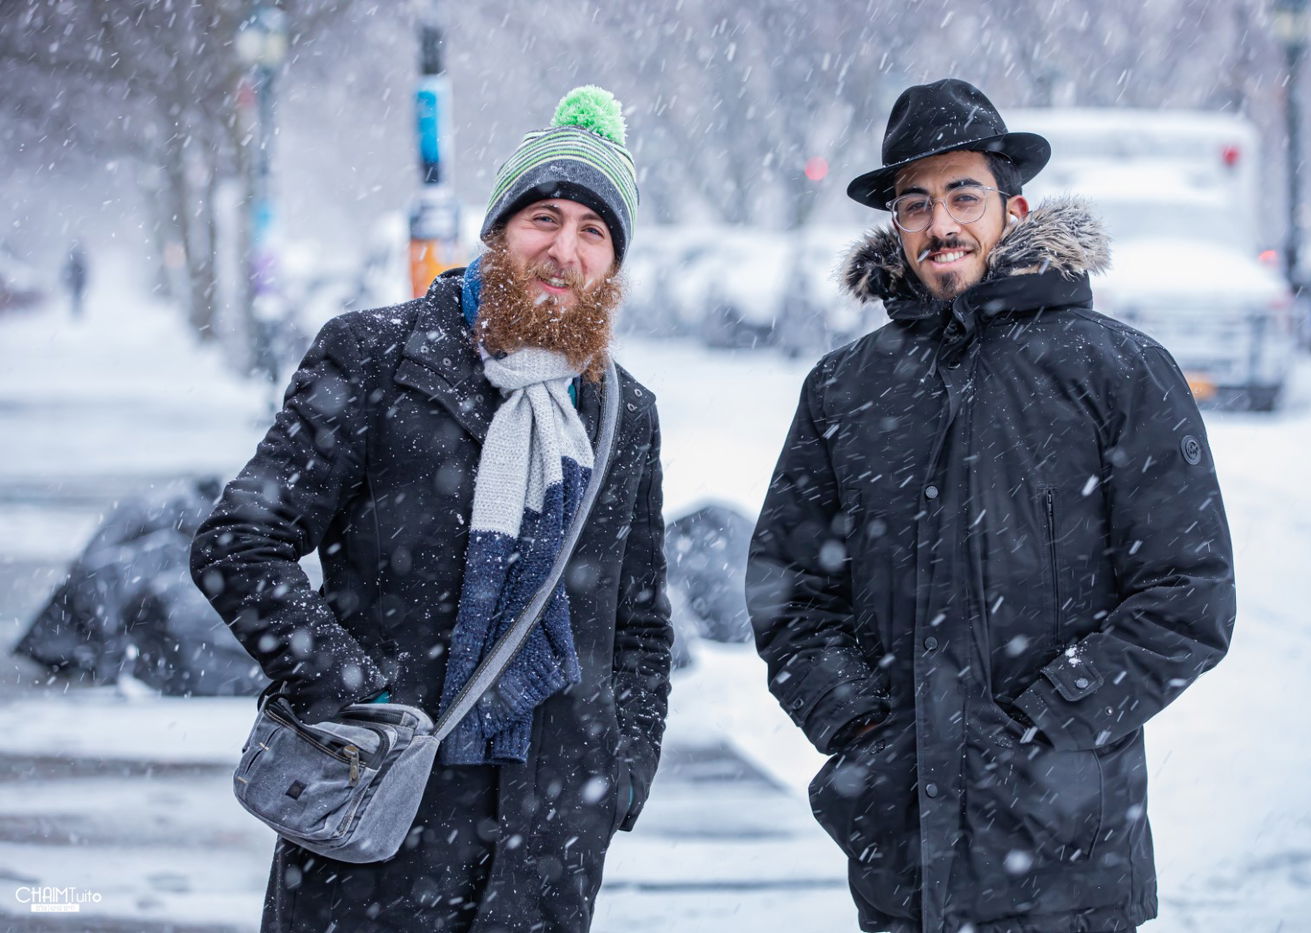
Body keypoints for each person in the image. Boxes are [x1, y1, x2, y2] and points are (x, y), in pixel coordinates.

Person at [747, 79, 1235, 933]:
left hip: (1069, 864)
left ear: (1015, 208)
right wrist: (864, 728)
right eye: (916, 204)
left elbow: (1187, 595)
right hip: (901, 866)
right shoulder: (845, 389)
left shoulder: (1119, 372)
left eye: (964, 195)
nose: (941, 224)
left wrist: (1047, 724)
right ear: (896, 227)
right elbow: (789, 594)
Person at [191, 86, 671, 933]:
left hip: (545, 849)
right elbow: (239, 543)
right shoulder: (374, 357)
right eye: (544, 219)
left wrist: (620, 771)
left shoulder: (621, 413)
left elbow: (638, 623)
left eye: (593, 231)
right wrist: (349, 691)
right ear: (497, 232)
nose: (563, 250)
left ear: (612, 263)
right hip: (371, 821)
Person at [61, 241, 87, 318]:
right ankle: (76, 311)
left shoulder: (74, 262)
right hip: (77, 284)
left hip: (76, 284)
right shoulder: (78, 262)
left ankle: (76, 311)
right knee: (76, 298)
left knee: (76, 298)